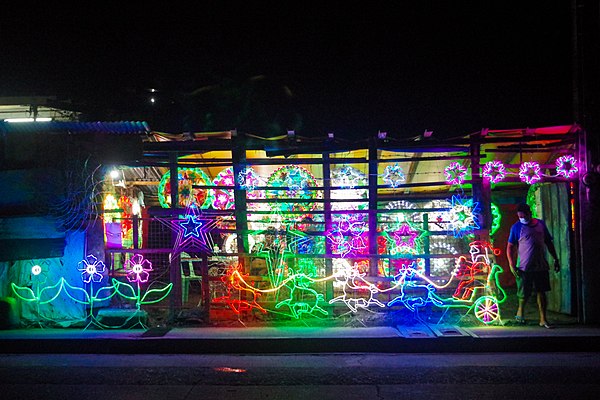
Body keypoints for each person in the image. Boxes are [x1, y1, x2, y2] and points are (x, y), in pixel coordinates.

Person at [506, 203, 560, 328]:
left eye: (523, 216)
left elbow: (548, 242)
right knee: (523, 293)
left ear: (529, 213)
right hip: (524, 266)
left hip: (541, 265)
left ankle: (543, 319)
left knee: (542, 292)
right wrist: (511, 264)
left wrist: (555, 258)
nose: (522, 218)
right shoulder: (516, 227)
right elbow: (509, 247)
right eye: (519, 216)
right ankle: (520, 314)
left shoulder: (540, 225)